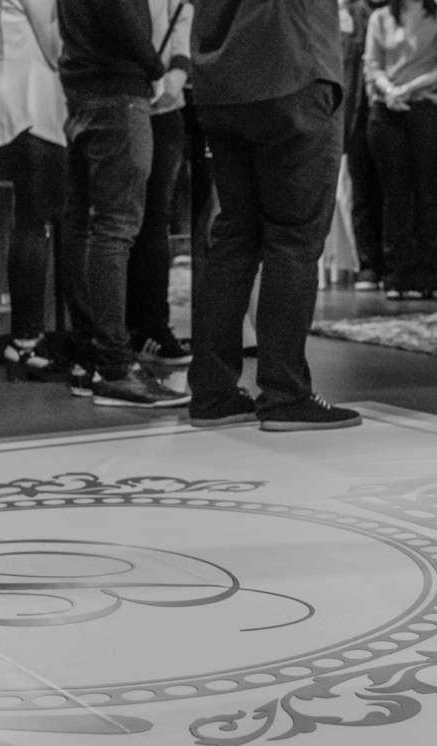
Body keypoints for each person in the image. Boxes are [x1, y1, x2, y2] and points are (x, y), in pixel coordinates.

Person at [189, 0, 361, 430]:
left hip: (221, 74)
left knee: (236, 234)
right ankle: (284, 394)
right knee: (295, 237)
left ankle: (212, 391)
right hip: (292, 64)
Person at [58, 0, 189, 407]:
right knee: (115, 231)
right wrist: (156, 71)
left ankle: (95, 358)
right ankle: (115, 368)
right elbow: (122, 17)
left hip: (82, 93)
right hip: (119, 95)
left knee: (93, 231)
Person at [0, 0, 69, 382]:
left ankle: (27, 337)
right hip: (34, 104)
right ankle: (25, 339)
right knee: (34, 223)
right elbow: (57, 46)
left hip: (22, 101)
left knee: (30, 220)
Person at [363, 0, 437, 299]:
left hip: (428, 106)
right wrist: (390, 90)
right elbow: (372, 65)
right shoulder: (380, 17)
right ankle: (396, 276)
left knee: (427, 192)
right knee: (394, 194)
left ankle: (425, 275)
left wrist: (409, 88)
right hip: (388, 108)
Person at [123, 0, 193, 367]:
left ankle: (152, 326)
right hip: (122, 101)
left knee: (155, 220)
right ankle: (122, 329)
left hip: (165, 110)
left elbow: (184, 36)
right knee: (119, 223)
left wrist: (173, 79)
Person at [342, 0, 386, 292]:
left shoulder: (392, 13)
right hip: (356, 113)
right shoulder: (349, 13)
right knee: (362, 193)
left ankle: (393, 263)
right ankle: (368, 264)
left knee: (394, 191)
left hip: (388, 112)